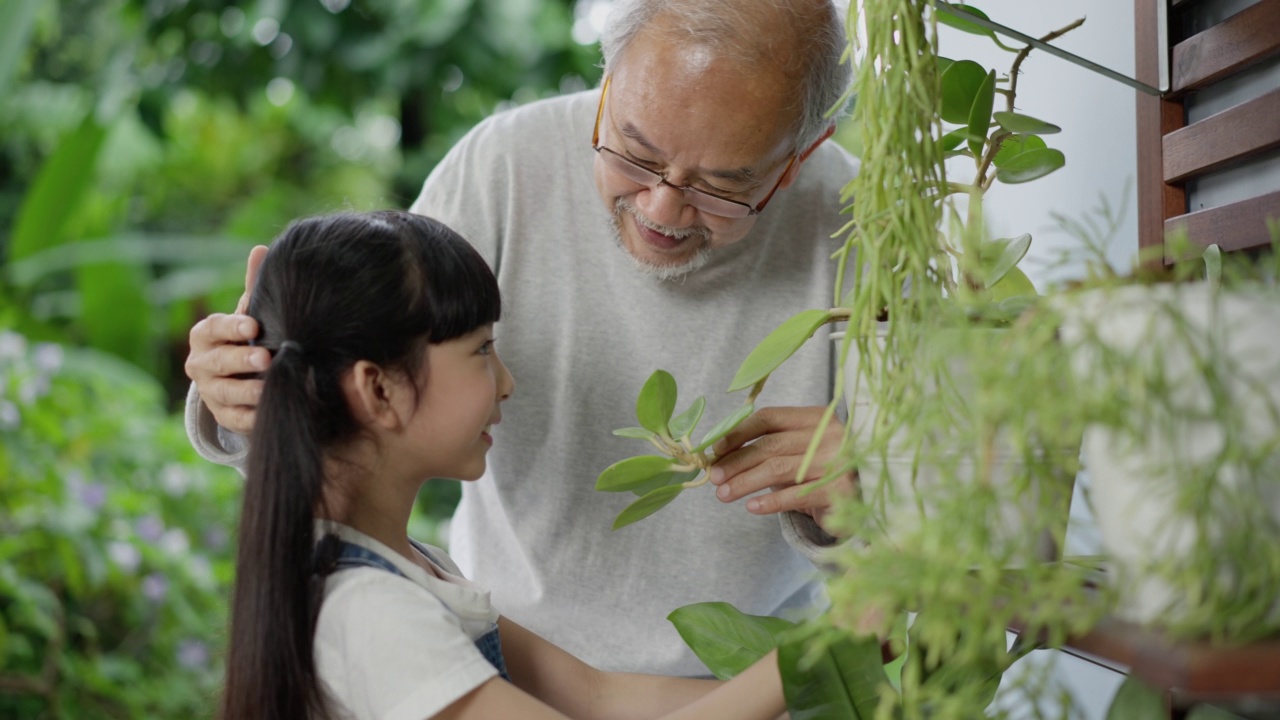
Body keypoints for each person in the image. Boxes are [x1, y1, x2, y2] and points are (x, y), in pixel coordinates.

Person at [185, 0, 860, 676]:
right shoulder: (502, 167)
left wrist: (869, 493)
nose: (661, 208)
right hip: (508, 656)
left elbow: (933, 533)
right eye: (636, 152)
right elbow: (357, 392)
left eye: (721, 186)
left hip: (743, 686)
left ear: (802, 154)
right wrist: (252, 394)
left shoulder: (868, 232)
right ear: (610, 76)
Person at [219, 209, 786, 720]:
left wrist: (822, 683)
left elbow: (595, 695)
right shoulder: (368, 612)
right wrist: (811, 660)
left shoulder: (408, 566)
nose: (508, 383)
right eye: (482, 350)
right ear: (379, 390)